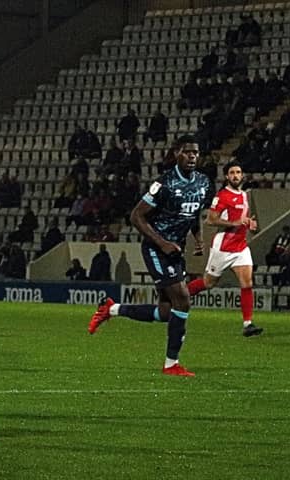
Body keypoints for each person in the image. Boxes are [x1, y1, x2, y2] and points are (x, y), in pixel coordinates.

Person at [88, 135, 213, 377]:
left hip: (175, 250)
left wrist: (197, 239)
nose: (192, 157)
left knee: (166, 312)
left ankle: (111, 309)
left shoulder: (204, 183)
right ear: (177, 153)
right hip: (157, 249)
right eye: (187, 152)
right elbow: (136, 216)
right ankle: (171, 364)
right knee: (184, 300)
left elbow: (192, 214)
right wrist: (162, 243)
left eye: (196, 153)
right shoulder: (164, 183)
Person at [186, 161, 264, 337]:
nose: (236, 175)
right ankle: (180, 295)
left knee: (247, 283)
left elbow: (242, 219)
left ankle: (248, 324)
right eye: (232, 173)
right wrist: (233, 223)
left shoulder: (244, 195)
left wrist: (249, 224)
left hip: (241, 246)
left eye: (238, 172)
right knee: (208, 283)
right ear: (227, 176)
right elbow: (210, 220)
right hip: (223, 246)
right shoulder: (222, 196)